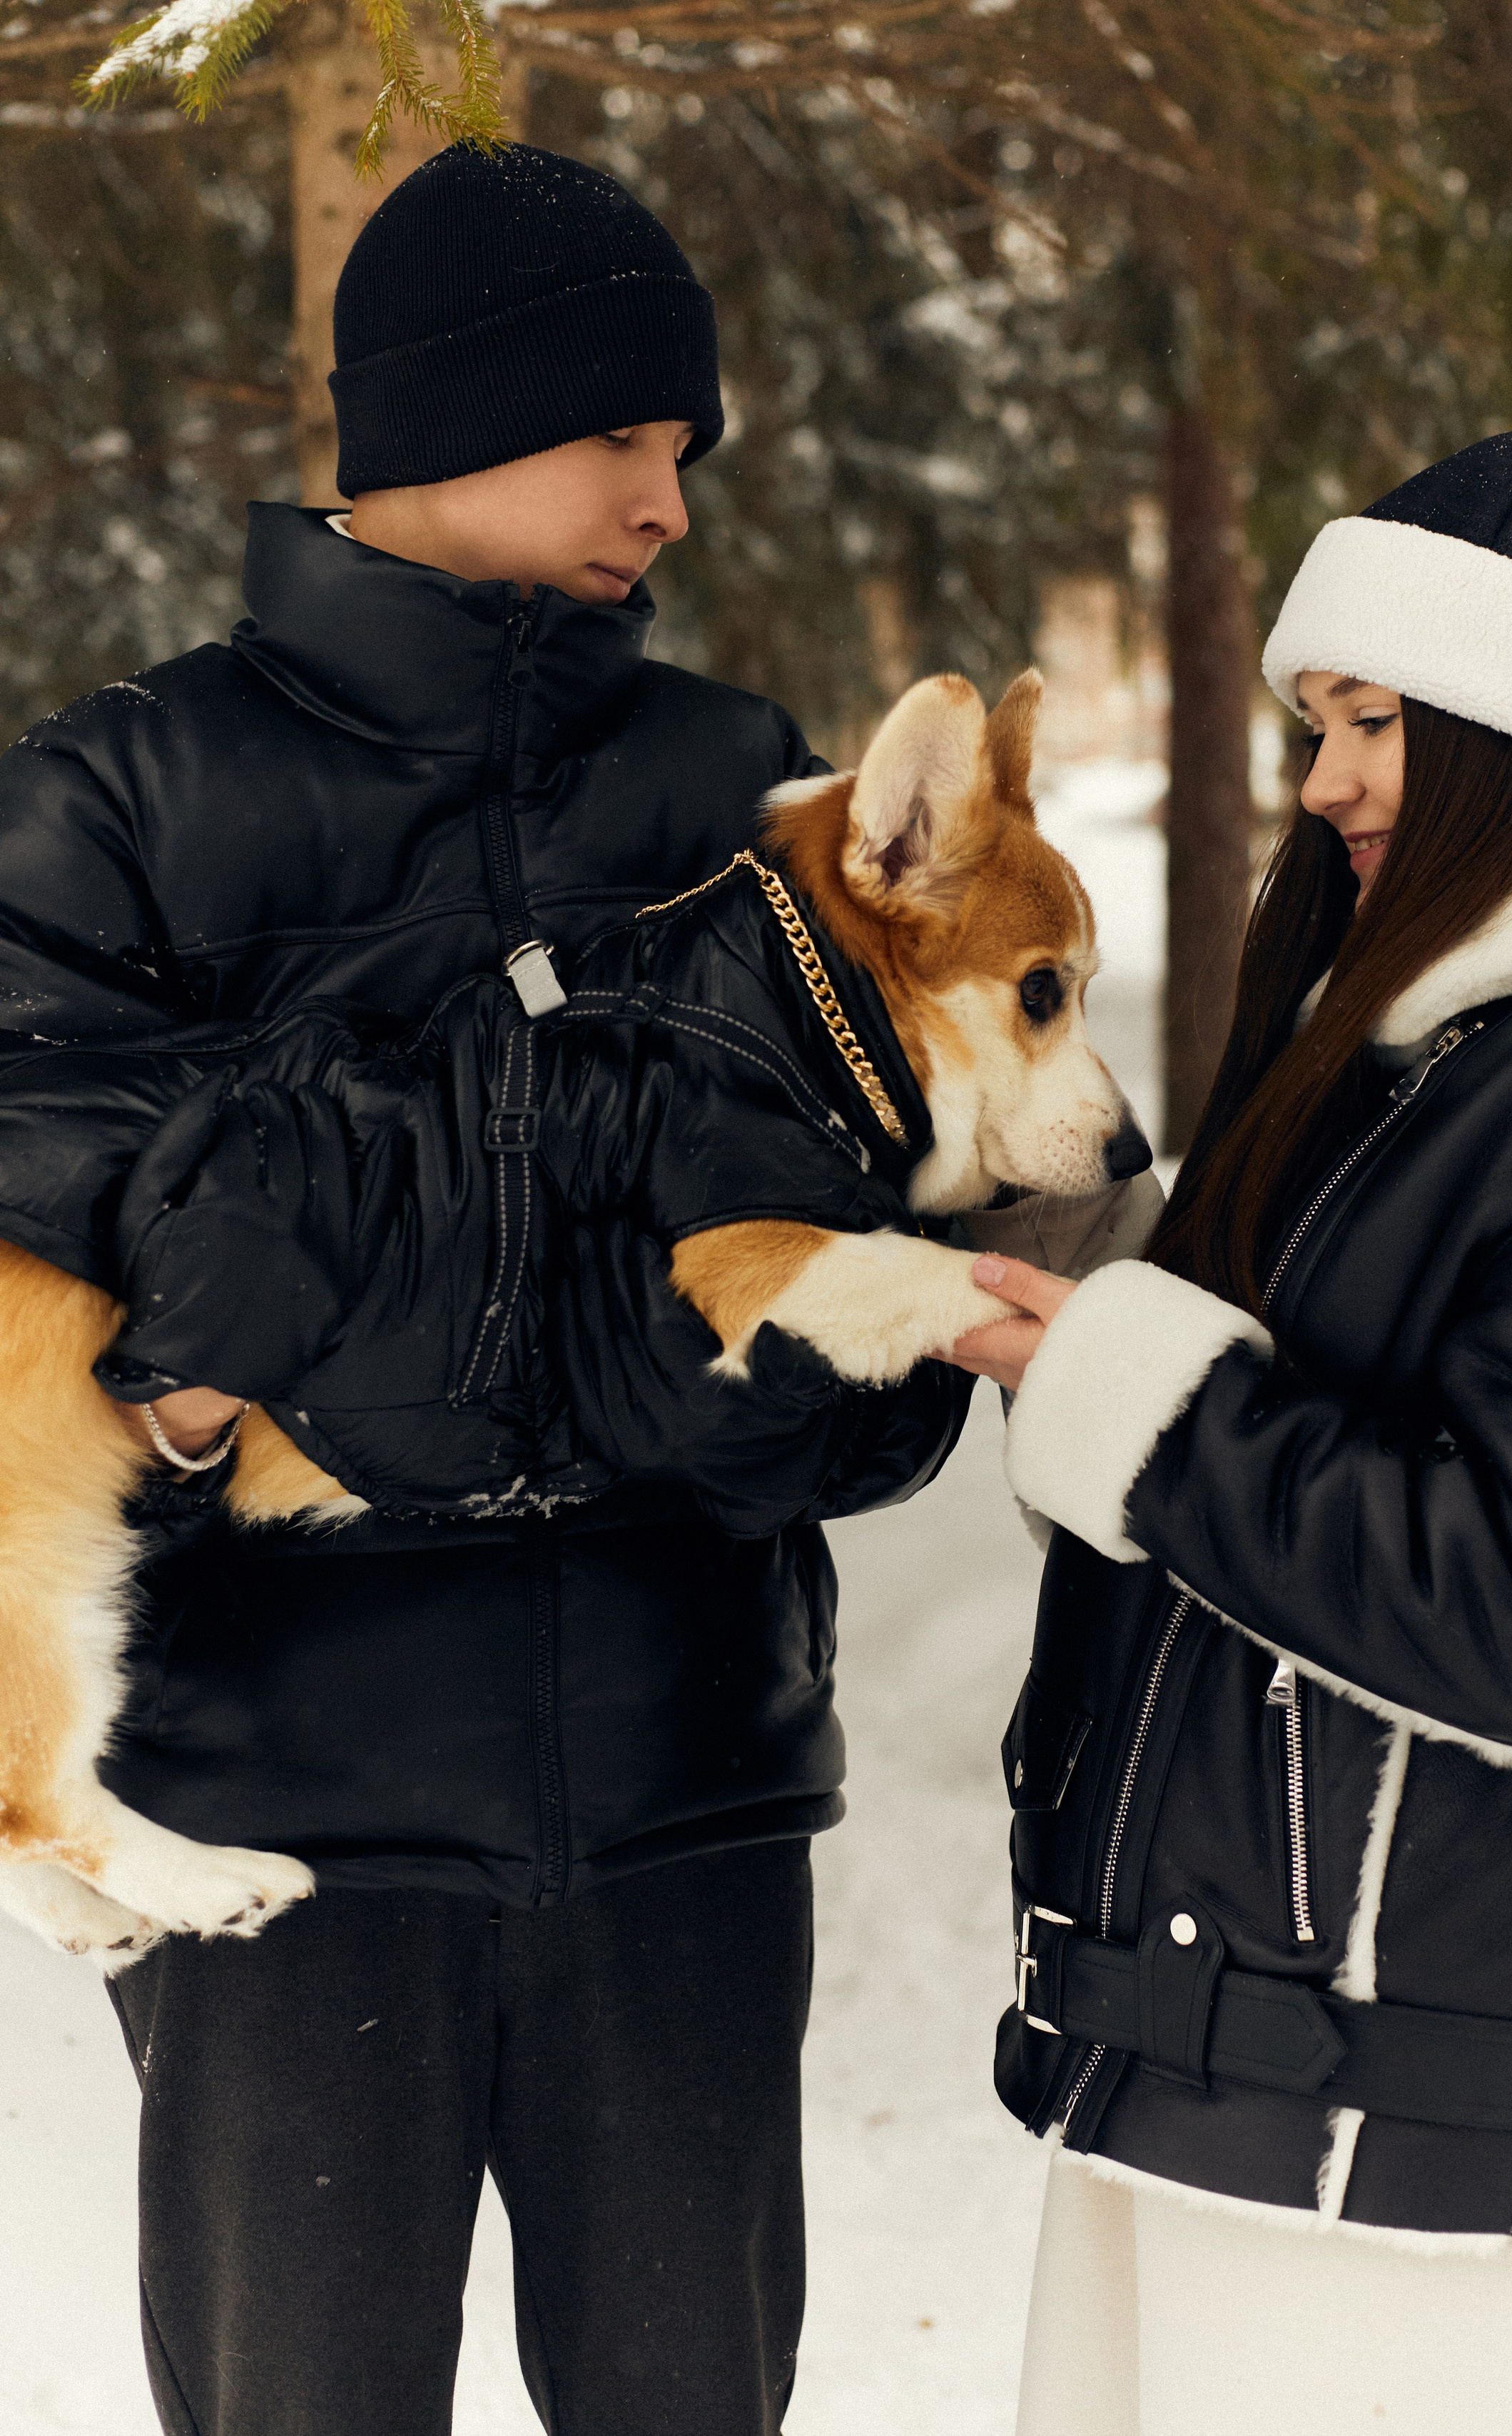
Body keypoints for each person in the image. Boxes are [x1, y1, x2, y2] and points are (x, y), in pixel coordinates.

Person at [0, 143, 970, 2435]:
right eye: (628, 437)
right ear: (450, 421)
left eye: (687, 450)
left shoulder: (742, 787)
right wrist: (229, 1346)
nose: (675, 502)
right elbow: (63, 1234)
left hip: (684, 1804)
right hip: (294, 1831)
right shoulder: (119, 800)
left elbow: (884, 1340)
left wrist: (753, 1385)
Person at [950, 427, 1512, 2434]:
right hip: (1226, 2087)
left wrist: (1145, 1413)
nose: (1324, 777)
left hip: (1420, 2188)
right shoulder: (1434, 1051)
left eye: (1376, 725)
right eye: (1316, 723)